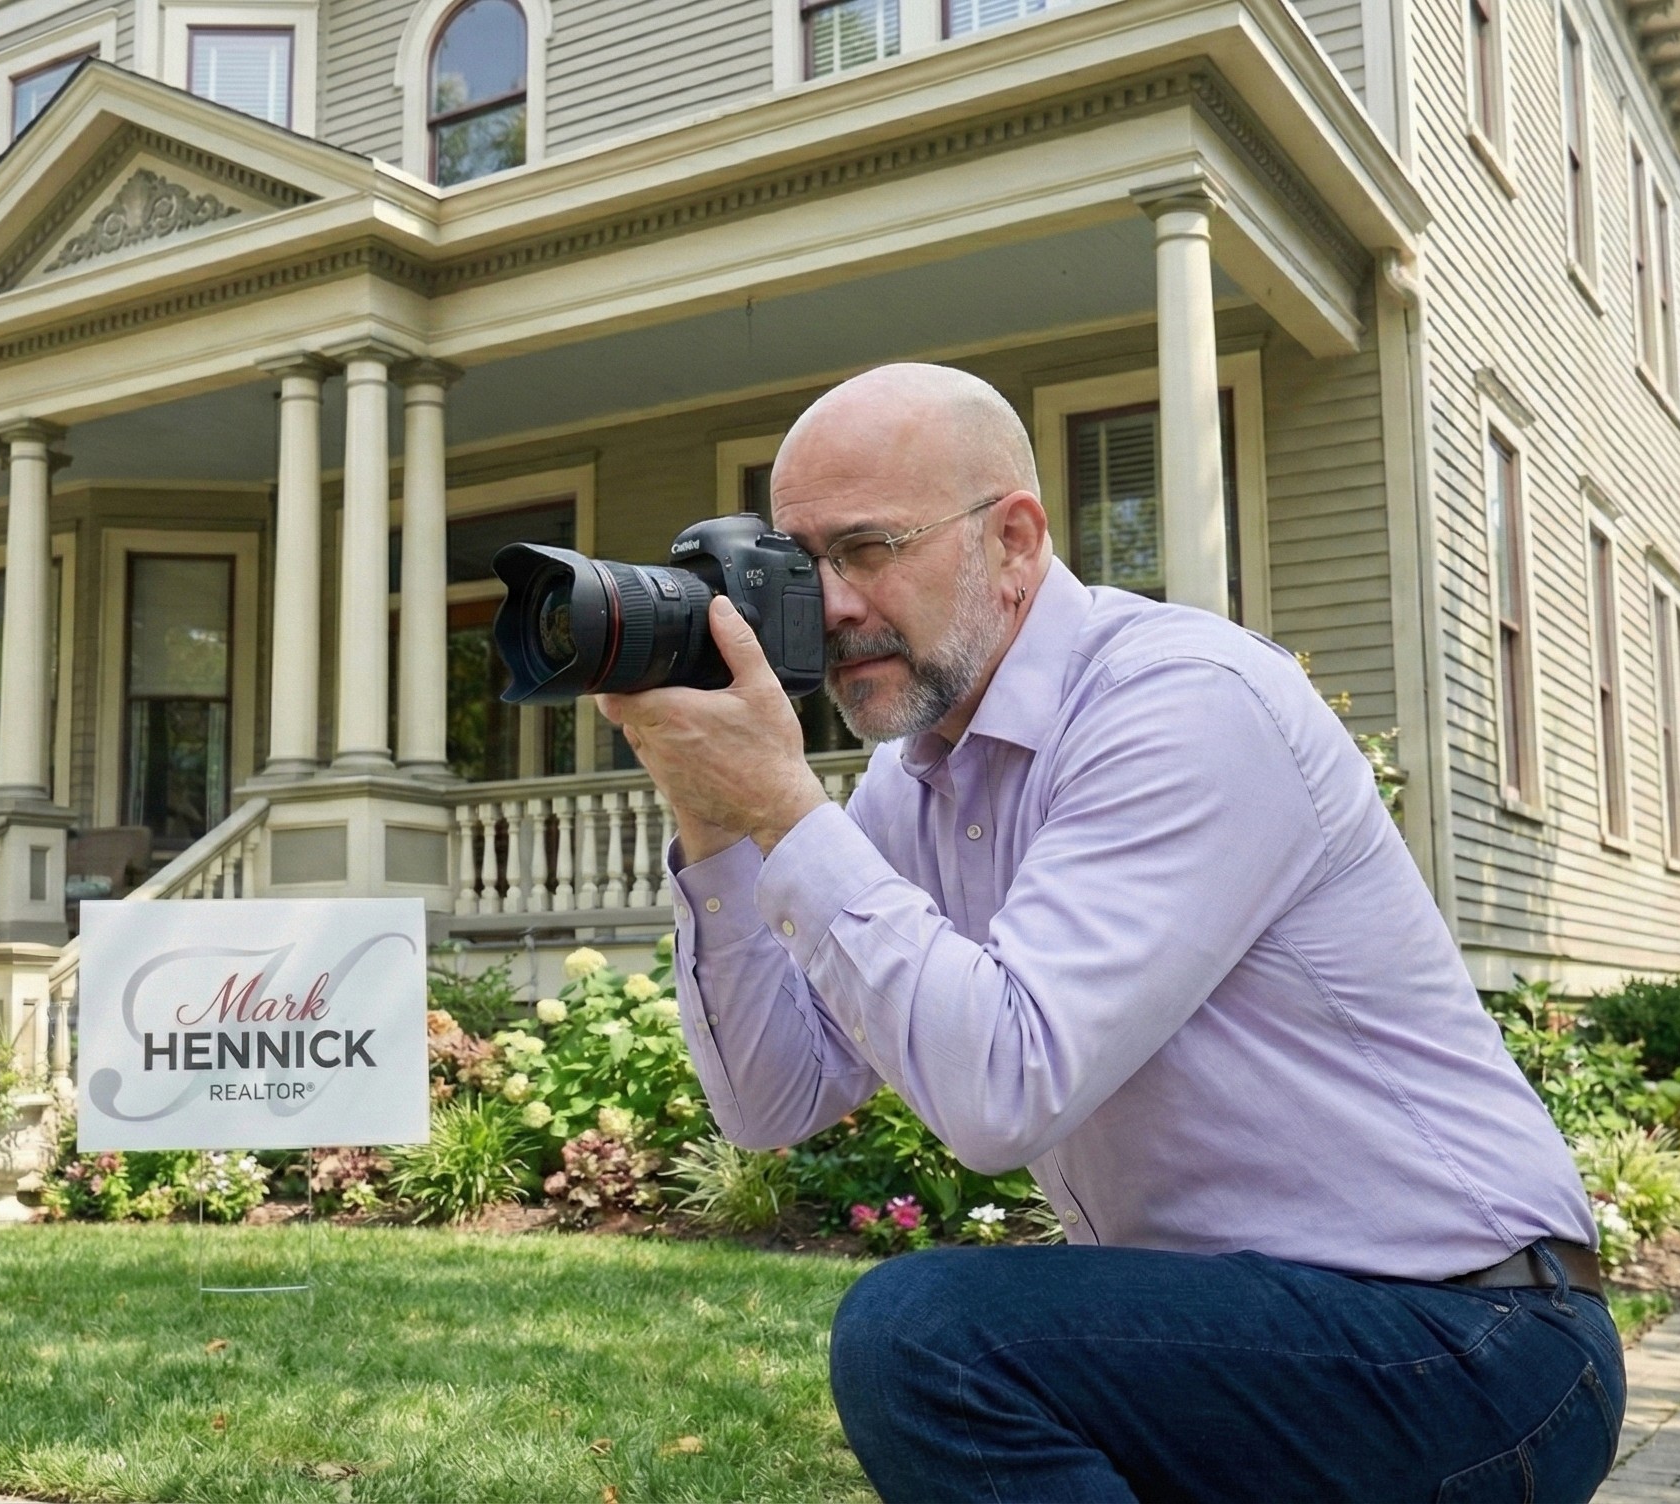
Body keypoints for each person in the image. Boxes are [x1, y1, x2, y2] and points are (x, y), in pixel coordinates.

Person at [595, 363, 1616, 1503]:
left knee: (930, 1334)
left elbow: (1001, 1091)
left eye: (867, 549)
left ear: (1015, 540)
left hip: (1472, 1342)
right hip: (1249, 1337)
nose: (826, 607)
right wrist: (715, 816)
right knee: (943, 1336)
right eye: (797, 565)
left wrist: (786, 808)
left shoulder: (1180, 701)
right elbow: (769, 1100)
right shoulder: (910, 785)